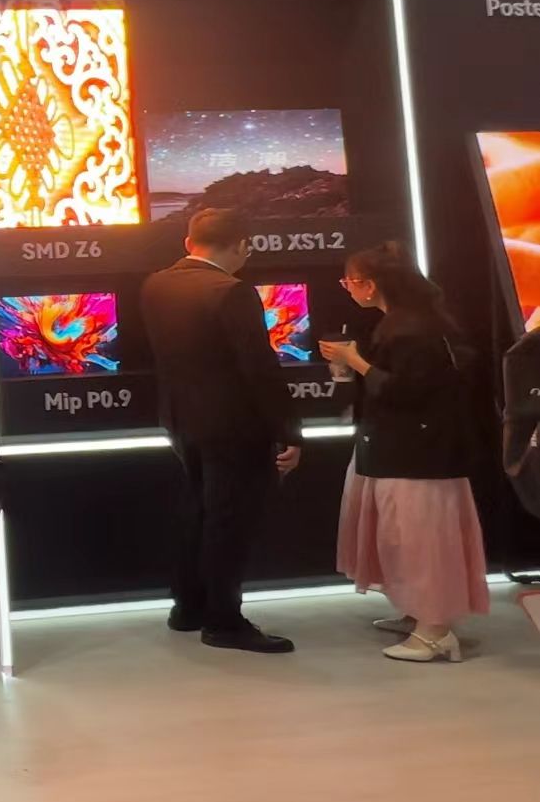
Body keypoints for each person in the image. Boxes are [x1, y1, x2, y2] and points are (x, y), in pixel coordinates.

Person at [139, 208, 303, 656]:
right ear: (241, 247)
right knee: (228, 522)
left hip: (181, 422)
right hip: (234, 427)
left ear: (189, 242)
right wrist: (289, 430)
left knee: (197, 511)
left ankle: (188, 607)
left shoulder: (156, 284)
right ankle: (224, 621)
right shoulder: (232, 291)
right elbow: (260, 369)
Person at [322, 245, 492, 663]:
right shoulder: (410, 322)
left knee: (419, 540)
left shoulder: (410, 328)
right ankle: (420, 613)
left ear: (370, 284)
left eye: (350, 281)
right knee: (403, 538)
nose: (347, 289)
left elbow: (406, 391)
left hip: (416, 457)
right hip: (407, 452)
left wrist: (354, 361)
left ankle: (434, 631)